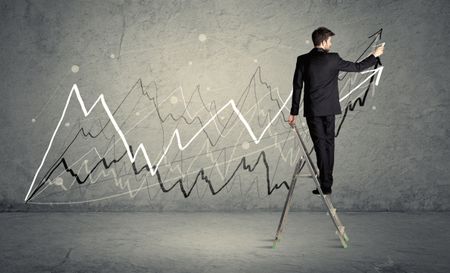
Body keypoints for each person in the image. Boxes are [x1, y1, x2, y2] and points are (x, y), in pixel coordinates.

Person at [287, 27, 384, 195]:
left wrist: (293, 112)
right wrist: (374, 55)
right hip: (330, 110)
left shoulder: (302, 60)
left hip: (313, 111)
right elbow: (358, 67)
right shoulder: (334, 59)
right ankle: (327, 184)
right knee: (329, 145)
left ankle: (324, 184)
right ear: (323, 41)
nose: (331, 44)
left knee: (320, 145)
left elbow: (297, 87)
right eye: (330, 41)